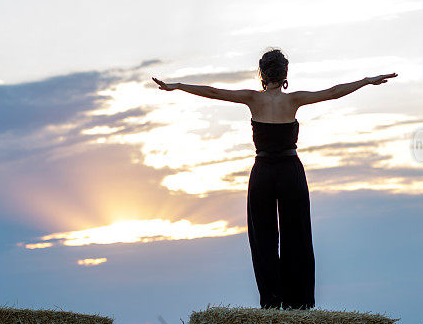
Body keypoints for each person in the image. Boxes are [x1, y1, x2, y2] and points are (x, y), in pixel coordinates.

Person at [152, 48, 397, 310]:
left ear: (262, 74)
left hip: (263, 172)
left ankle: (270, 302)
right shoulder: (294, 100)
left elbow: (213, 92)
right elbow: (334, 91)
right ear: (285, 74)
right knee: (297, 234)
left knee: (263, 238)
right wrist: (365, 81)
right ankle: (298, 303)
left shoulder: (252, 99)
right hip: (290, 170)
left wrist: (177, 86)